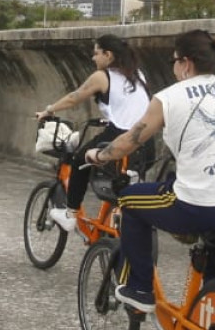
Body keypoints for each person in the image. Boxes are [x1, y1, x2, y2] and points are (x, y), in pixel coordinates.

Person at [83, 28, 215, 313]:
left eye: (174, 62)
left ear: (186, 63)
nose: (175, 68)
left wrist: (99, 155)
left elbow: (130, 140)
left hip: (198, 207)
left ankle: (139, 289)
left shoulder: (170, 96)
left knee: (129, 199)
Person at [33, 33, 152, 231]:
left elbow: (74, 98)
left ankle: (70, 213)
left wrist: (48, 110)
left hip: (120, 137)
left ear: (108, 55)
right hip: (147, 142)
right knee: (123, 185)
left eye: (96, 53)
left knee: (80, 160)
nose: (93, 58)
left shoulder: (102, 76)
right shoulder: (137, 74)